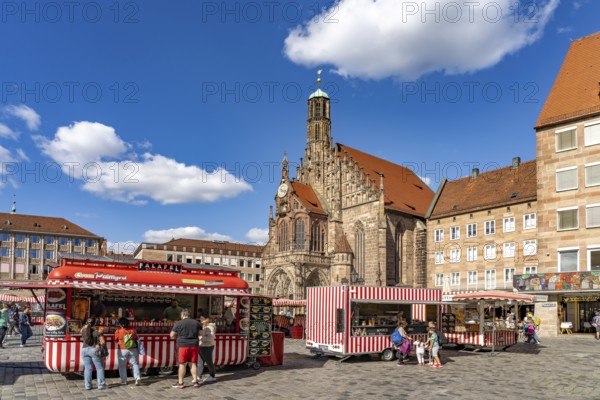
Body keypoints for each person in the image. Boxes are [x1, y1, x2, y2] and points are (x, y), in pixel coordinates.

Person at [170, 308, 201, 388]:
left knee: (182, 364)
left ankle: (180, 383)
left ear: (183, 314)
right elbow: (201, 333)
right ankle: (196, 382)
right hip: (194, 345)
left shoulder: (178, 323)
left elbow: (172, 335)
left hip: (182, 346)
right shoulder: (196, 323)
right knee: (193, 363)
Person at [114, 317, 141, 386]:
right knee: (134, 364)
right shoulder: (132, 330)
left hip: (122, 349)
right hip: (133, 349)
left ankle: (124, 381)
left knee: (122, 365)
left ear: (120, 324)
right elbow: (136, 338)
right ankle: (137, 377)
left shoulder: (118, 331)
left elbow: (115, 340)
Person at [81, 317, 106, 390]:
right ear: (95, 323)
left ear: (86, 322)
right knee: (99, 368)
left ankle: (87, 386)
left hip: (84, 350)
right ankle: (101, 385)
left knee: (88, 368)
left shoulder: (83, 330)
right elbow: (103, 342)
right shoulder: (97, 331)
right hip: (94, 350)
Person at [198, 314, 217, 383]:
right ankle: (198, 375)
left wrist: (200, 338)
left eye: (202, 318)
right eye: (200, 319)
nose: (201, 320)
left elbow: (210, 337)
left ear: (207, 319)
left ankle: (212, 376)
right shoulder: (204, 326)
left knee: (209, 362)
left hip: (207, 346)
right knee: (200, 362)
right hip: (202, 346)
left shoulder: (210, 326)